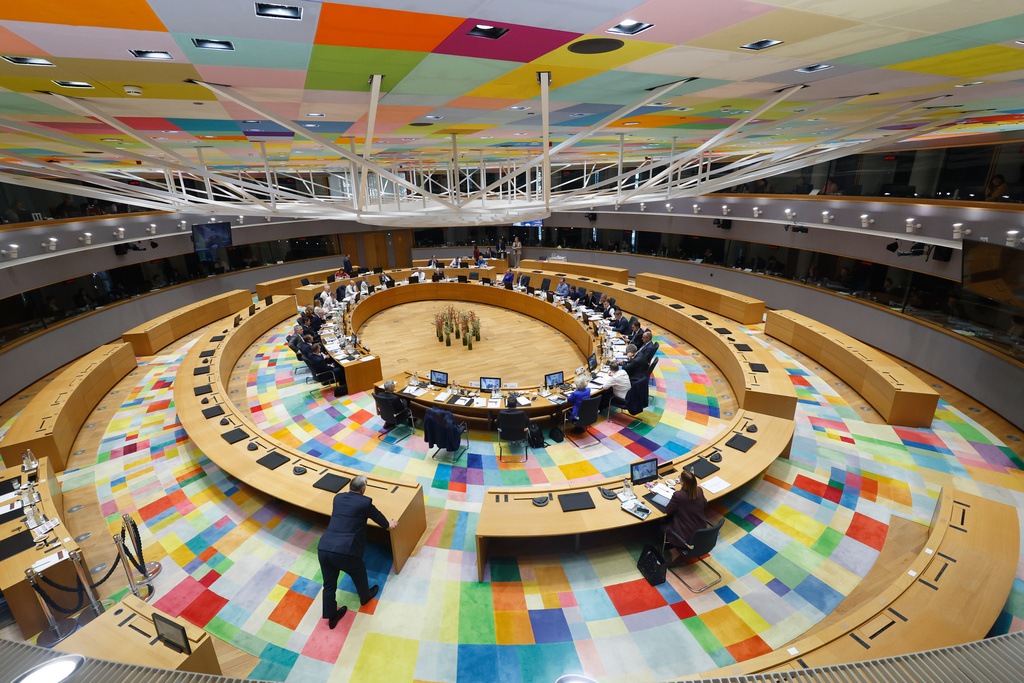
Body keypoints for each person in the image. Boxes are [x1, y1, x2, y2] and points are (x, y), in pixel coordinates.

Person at [317, 475, 397, 629]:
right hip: (344, 551)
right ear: (363, 489)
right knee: (359, 570)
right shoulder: (365, 502)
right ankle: (365, 596)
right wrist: (388, 524)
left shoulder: (338, 498)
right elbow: (379, 518)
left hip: (324, 548)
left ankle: (332, 617)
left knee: (329, 586)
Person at [662, 470, 707, 566]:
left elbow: (668, 510)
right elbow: (704, 503)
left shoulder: (679, 495)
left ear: (683, 483)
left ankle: (675, 555)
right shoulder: (699, 490)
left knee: (660, 527)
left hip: (685, 537)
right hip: (701, 533)